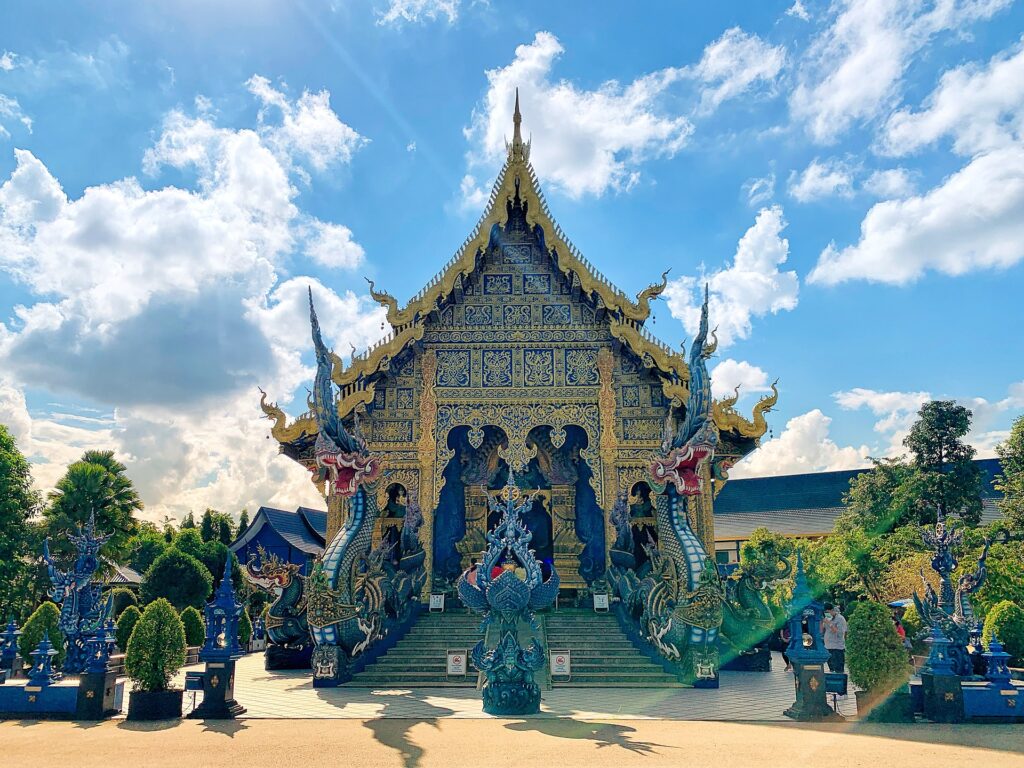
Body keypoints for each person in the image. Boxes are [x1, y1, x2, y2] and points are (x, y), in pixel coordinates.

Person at [822, 604, 848, 673]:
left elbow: (839, 633)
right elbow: (821, 631)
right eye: (825, 613)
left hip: (837, 648)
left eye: (828, 612)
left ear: (832, 610)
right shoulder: (827, 618)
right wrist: (821, 622)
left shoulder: (840, 619)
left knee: (838, 670)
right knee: (832, 670)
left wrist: (830, 624)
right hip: (828, 647)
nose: (827, 614)